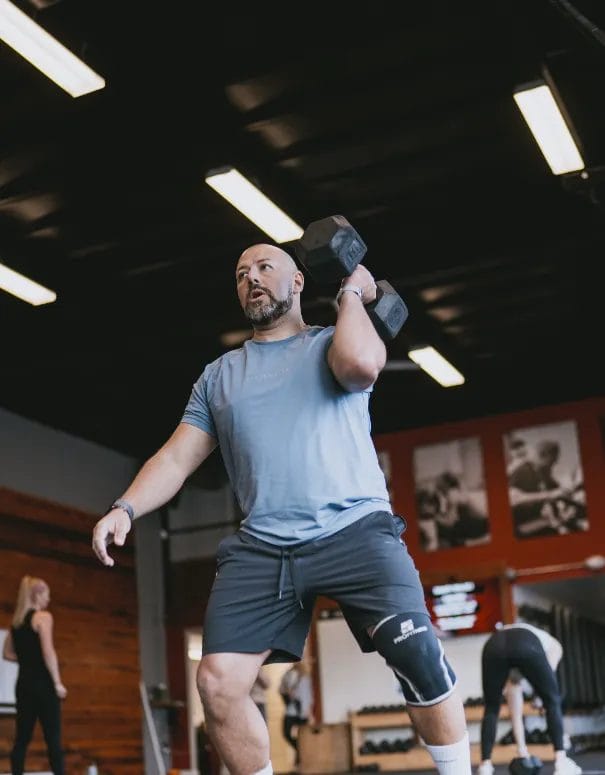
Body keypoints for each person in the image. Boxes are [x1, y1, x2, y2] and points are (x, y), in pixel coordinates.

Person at [92, 243, 471, 775]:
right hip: (265, 547)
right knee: (217, 683)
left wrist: (351, 293)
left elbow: (361, 365)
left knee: (416, 654)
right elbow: (176, 459)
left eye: (265, 267)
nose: (251, 278)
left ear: (297, 282)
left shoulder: (330, 342)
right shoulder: (219, 377)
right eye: (240, 274)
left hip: (356, 529)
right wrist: (125, 509)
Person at [478, 621, 581, 775]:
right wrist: (540, 697)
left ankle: (485, 767)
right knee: (552, 700)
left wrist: (522, 751)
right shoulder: (554, 646)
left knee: (491, 708)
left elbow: (515, 707)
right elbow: (547, 688)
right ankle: (561, 762)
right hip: (525, 643)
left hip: (493, 645)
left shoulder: (543, 646)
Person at [2, 576, 67, 775]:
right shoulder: (43, 617)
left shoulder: (16, 623)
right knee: (53, 739)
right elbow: (48, 652)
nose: (48, 599)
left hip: (23, 686)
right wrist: (57, 682)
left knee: (22, 739)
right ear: (37, 594)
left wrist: (28, 660)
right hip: (44, 685)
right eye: (46, 594)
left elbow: (7, 654)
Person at [508, 440, 585, 537]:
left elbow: (559, 493)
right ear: (543, 455)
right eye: (553, 460)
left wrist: (572, 492)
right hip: (520, 528)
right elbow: (513, 498)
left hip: (539, 523)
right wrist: (550, 494)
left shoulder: (544, 473)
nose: (555, 463)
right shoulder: (523, 471)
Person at [279, 663, 313, 765]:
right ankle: (300, 752)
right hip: (292, 711)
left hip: (302, 712)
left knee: (303, 736)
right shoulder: (290, 675)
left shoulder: (305, 679)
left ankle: (301, 759)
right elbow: (282, 689)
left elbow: (308, 697)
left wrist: (308, 711)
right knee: (287, 734)